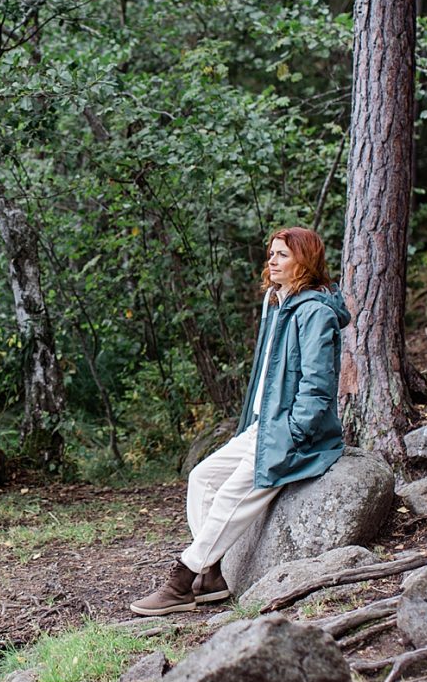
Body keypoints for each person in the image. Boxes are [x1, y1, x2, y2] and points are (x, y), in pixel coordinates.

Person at [131, 227, 350, 618]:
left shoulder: (314, 312)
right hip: (263, 426)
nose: (272, 260)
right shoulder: (280, 304)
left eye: (282, 254)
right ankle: (211, 574)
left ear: (305, 261)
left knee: (231, 491)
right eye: (271, 253)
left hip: (295, 434)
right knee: (202, 478)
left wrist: (294, 434)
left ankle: (182, 580)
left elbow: (318, 387)